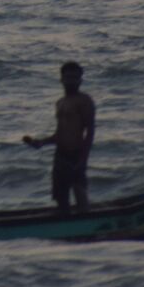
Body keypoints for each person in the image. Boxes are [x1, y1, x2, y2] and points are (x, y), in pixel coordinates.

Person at [23, 60, 97, 214]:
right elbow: (60, 133)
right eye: (68, 77)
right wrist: (42, 142)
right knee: (60, 197)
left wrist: (83, 159)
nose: (71, 81)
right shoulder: (60, 103)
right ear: (61, 79)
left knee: (80, 194)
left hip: (76, 154)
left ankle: (86, 228)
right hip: (60, 155)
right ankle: (66, 228)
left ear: (80, 80)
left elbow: (89, 132)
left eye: (75, 78)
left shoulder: (84, 101)